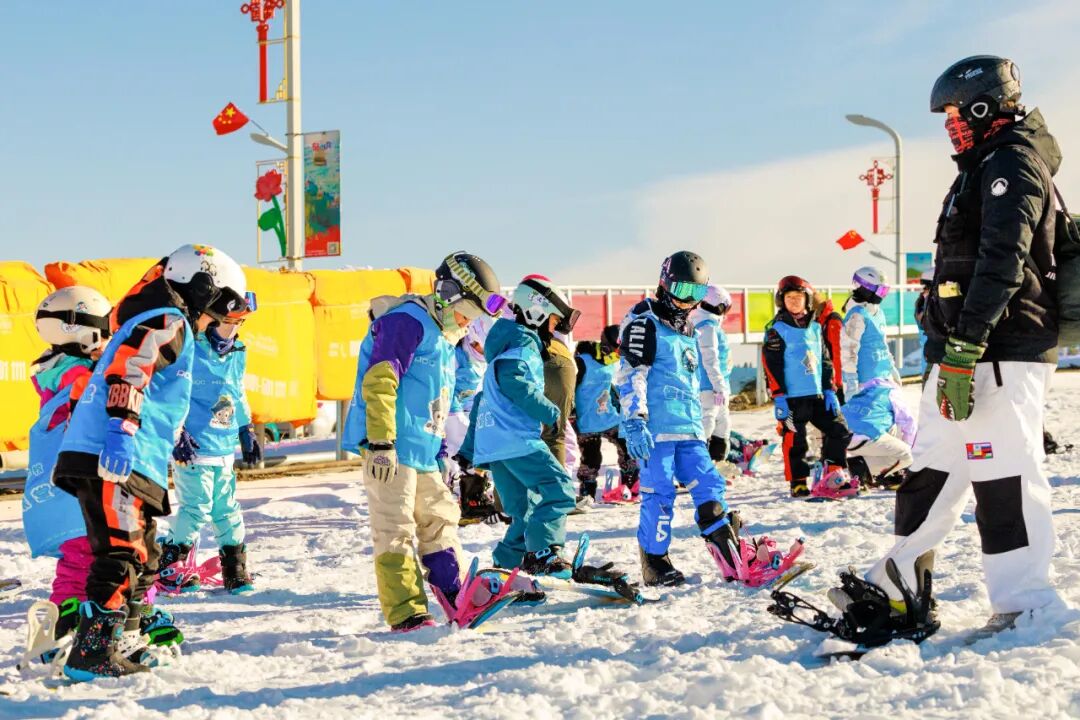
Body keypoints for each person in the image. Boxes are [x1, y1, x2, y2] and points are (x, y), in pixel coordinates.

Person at [804, 55, 1063, 648]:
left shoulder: (1013, 162)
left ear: (984, 106)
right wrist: (949, 346)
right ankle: (902, 586)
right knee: (931, 472)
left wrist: (967, 346)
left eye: (954, 112)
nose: (949, 125)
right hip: (958, 353)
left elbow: (1003, 261)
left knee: (1004, 475)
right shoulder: (982, 167)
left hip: (999, 350)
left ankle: (1026, 604)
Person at [55, 244, 247, 681]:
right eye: (216, 312)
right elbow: (131, 368)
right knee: (122, 551)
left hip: (136, 459)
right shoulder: (167, 319)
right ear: (203, 290)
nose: (212, 324)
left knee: (146, 554)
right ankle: (91, 651)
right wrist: (121, 429)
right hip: (115, 455)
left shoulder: (165, 322)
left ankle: (126, 636)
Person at [342, 251, 506, 633]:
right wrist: (380, 442)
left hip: (423, 451)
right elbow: (380, 381)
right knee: (395, 526)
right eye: (466, 313)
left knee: (439, 519)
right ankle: (407, 612)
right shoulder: (406, 322)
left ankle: (455, 594)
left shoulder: (444, 338)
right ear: (447, 294)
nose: (468, 323)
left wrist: (441, 452)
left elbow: (437, 401)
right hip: (391, 447)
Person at [617, 251, 742, 587]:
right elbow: (631, 374)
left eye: (696, 293)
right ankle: (655, 562)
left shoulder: (689, 327)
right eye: (681, 290)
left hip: (688, 428)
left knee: (710, 486)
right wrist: (635, 419)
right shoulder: (644, 321)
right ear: (664, 284)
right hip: (656, 430)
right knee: (659, 495)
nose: (687, 301)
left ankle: (731, 553)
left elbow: (688, 380)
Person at [460, 275, 581, 575]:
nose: (554, 330)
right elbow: (514, 381)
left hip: (495, 448)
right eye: (554, 322)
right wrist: (549, 411)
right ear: (536, 312)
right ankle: (544, 552)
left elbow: (481, 403)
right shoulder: (523, 343)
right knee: (559, 489)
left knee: (523, 510)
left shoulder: (502, 349)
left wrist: (468, 450)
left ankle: (507, 564)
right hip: (517, 441)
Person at [23, 287, 111, 659]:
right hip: (77, 481)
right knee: (89, 550)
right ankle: (66, 625)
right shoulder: (77, 373)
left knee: (79, 556)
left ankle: (64, 619)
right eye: (103, 331)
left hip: (62, 480)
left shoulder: (53, 367)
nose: (106, 339)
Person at [161, 291, 261, 595]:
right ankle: (171, 565)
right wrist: (177, 432)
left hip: (223, 443)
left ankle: (235, 568)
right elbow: (171, 390)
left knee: (226, 508)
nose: (232, 331)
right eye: (227, 323)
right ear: (212, 320)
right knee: (196, 507)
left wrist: (245, 427)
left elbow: (237, 391)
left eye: (239, 324)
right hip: (193, 445)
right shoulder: (190, 348)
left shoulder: (237, 351)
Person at [762, 276, 853, 498]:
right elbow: (771, 365)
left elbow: (824, 360)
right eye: (789, 297)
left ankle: (833, 474)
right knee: (795, 439)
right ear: (781, 300)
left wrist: (830, 389)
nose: (793, 301)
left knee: (839, 431)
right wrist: (778, 395)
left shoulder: (815, 327)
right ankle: (798, 482)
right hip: (792, 397)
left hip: (818, 395)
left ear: (808, 299)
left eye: (798, 297)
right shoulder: (777, 330)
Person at [840, 267, 915, 489]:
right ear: (864, 288)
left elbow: (881, 344)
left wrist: (892, 367)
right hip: (867, 380)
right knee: (903, 419)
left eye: (885, 291)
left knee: (891, 421)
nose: (882, 296)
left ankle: (884, 467)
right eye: (879, 290)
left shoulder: (878, 313)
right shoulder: (856, 315)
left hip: (883, 376)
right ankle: (902, 464)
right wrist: (850, 382)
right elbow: (848, 351)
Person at [572, 324, 638, 509]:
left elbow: (611, 387)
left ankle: (629, 485)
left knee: (627, 448)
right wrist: (571, 414)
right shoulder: (582, 362)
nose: (618, 356)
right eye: (616, 352)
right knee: (591, 459)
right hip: (587, 421)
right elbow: (570, 388)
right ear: (606, 345)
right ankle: (587, 492)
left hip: (610, 417)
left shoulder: (613, 363)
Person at [692, 285, 735, 475]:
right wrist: (719, 386)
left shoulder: (707, 324)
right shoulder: (706, 327)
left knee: (722, 423)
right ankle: (695, 467)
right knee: (707, 423)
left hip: (717, 386)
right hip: (708, 387)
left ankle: (717, 461)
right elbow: (710, 360)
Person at [814, 290, 845, 405]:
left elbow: (839, 353)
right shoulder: (820, 322)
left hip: (838, 379)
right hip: (829, 377)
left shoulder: (832, 321)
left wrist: (839, 382)